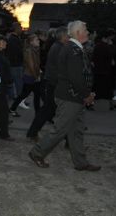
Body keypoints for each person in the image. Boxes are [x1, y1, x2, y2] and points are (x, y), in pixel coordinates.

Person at [29, 20, 101, 172]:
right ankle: (37, 153)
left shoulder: (73, 48)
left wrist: (88, 93)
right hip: (70, 97)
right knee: (60, 130)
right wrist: (87, 94)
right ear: (77, 33)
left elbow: (81, 75)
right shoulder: (72, 50)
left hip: (74, 97)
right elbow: (75, 78)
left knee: (76, 131)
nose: (88, 32)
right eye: (85, 29)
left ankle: (80, 162)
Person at [27, 27, 69, 142]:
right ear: (63, 36)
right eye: (68, 35)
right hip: (55, 84)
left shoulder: (58, 47)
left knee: (52, 111)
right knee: (53, 111)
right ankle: (70, 140)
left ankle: (70, 140)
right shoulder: (59, 48)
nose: (69, 37)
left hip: (54, 83)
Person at [9, 34, 42, 116]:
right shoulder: (29, 51)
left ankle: (12, 108)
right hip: (30, 76)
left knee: (31, 94)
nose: (38, 41)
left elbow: (35, 64)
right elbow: (31, 65)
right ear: (31, 42)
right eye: (36, 40)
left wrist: (38, 71)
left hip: (32, 75)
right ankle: (12, 108)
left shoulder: (34, 50)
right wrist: (36, 76)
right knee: (26, 94)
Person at [92, 30, 116, 110]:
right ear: (107, 38)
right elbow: (112, 54)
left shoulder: (97, 46)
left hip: (98, 70)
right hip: (105, 70)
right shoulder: (106, 47)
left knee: (97, 88)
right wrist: (111, 46)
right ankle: (110, 104)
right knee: (107, 88)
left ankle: (91, 103)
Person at [5, 23, 26, 108]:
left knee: (14, 83)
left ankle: (16, 99)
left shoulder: (15, 38)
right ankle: (19, 101)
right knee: (18, 83)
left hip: (15, 64)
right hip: (15, 64)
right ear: (16, 29)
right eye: (20, 28)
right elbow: (16, 52)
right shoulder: (13, 39)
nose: (21, 30)